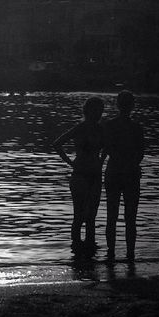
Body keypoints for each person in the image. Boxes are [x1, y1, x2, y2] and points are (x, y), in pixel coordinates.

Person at [51, 96, 106, 255]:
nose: (98, 113)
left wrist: (101, 160)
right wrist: (71, 163)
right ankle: (76, 251)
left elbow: (109, 146)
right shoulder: (80, 128)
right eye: (95, 110)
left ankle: (90, 252)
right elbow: (57, 144)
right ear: (87, 110)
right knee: (79, 215)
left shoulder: (102, 129)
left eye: (100, 110)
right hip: (80, 175)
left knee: (91, 217)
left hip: (95, 176)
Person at [102, 90, 145, 262]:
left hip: (113, 172)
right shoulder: (136, 127)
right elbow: (140, 152)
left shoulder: (109, 125)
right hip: (131, 173)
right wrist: (131, 164)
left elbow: (106, 149)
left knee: (111, 215)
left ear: (117, 105)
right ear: (132, 106)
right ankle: (130, 253)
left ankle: (111, 252)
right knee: (130, 217)